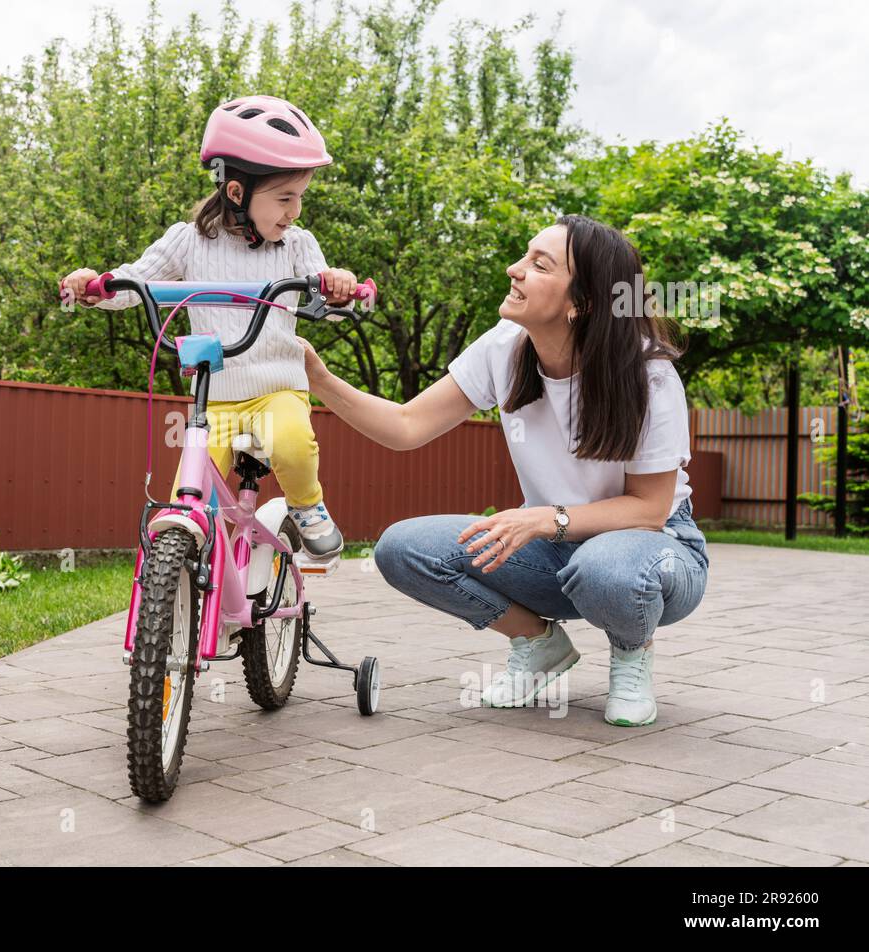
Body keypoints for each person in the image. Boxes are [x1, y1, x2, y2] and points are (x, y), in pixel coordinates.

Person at [297, 214, 710, 726]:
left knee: (606, 564)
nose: (515, 270)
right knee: (403, 550)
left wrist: (540, 519)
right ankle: (538, 644)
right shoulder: (504, 347)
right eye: (525, 254)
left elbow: (649, 510)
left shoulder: (649, 376)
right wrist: (317, 377)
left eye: (540, 265)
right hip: (556, 551)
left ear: (580, 303)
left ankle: (631, 653)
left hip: (656, 556)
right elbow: (405, 427)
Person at [61, 95, 361, 563]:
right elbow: (133, 283)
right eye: (285, 197)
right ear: (238, 192)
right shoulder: (189, 241)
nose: (296, 210)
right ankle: (196, 579)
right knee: (192, 492)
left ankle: (307, 506)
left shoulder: (297, 246)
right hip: (214, 398)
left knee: (291, 440)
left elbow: (330, 302)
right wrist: (94, 285)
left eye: (300, 197)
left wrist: (340, 290)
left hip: (276, 387)